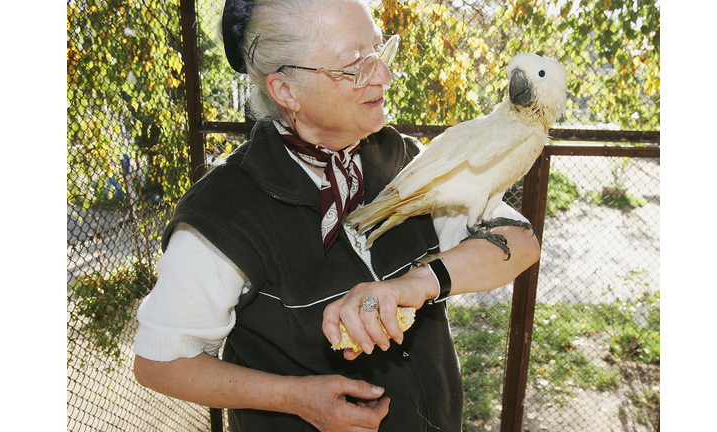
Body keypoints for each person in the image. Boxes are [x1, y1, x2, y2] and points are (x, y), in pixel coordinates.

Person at [132, 0, 540, 430]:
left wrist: (419, 283)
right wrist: (295, 399)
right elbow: (160, 362)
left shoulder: (401, 159)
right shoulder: (226, 209)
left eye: (380, 53)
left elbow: (520, 241)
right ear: (285, 91)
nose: (384, 75)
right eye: (353, 67)